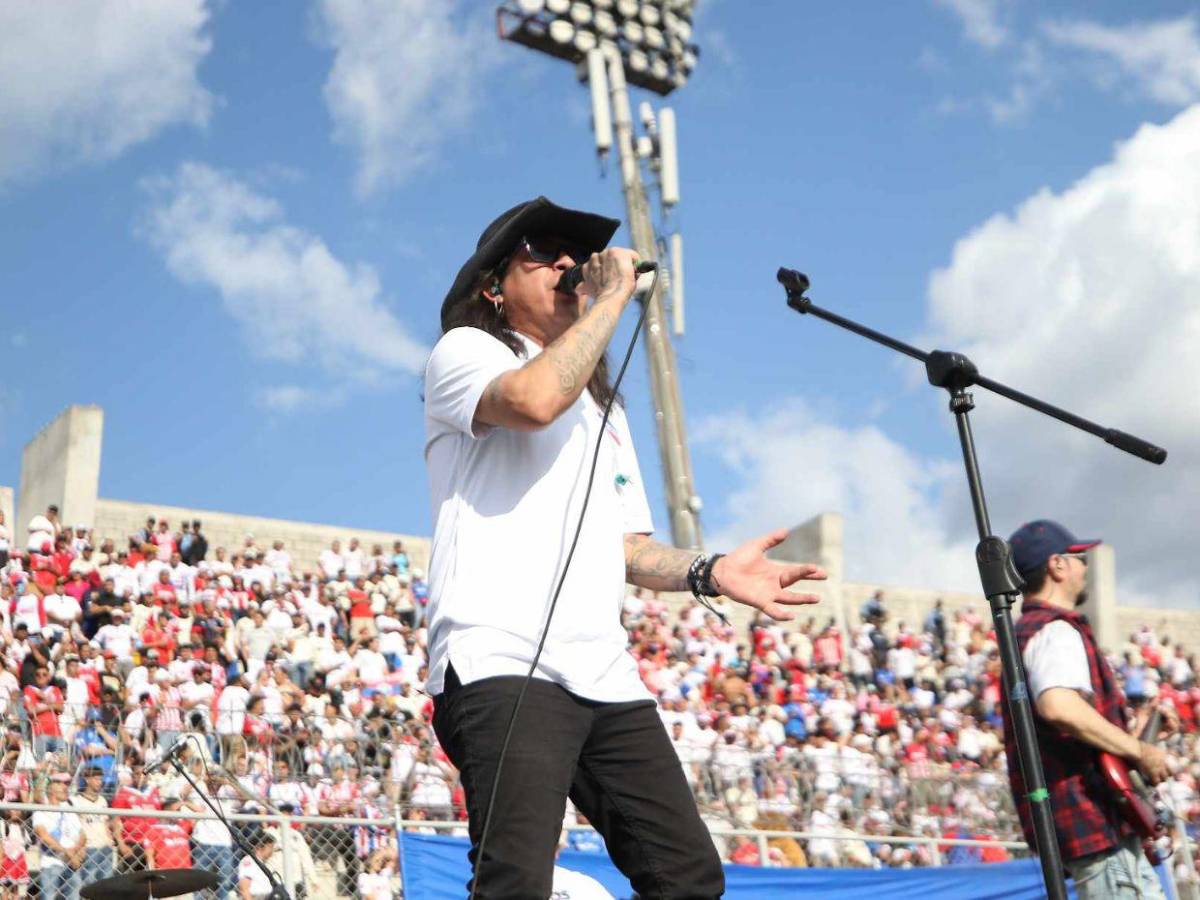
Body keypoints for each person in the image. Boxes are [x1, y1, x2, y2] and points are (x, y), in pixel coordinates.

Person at [425, 196, 827, 898]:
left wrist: (709, 570)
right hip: (501, 657)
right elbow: (532, 401)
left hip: (602, 670)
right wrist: (609, 300)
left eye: (573, 257)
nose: (565, 264)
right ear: (493, 284)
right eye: (542, 252)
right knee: (516, 881)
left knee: (687, 877)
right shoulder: (467, 353)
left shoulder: (601, 410)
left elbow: (628, 549)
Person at [1002, 520, 1169, 899]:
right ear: (1057, 566)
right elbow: (1059, 706)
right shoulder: (1055, 630)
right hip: (1096, 824)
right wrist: (1139, 750)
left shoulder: (1032, 631)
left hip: (1095, 827)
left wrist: (1140, 731)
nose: (1085, 567)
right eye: (1079, 557)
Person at [32, 775, 84, 900]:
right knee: (49, 897)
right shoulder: (40, 812)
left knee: (74, 896)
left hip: (72, 862)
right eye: (61, 785)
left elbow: (82, 834)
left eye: (66, 785)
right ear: (50, 790)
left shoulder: (69, 810)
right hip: (51, 863)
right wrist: (69, 853)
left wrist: (76, 850)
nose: (65, 788)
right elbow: (44, 836)